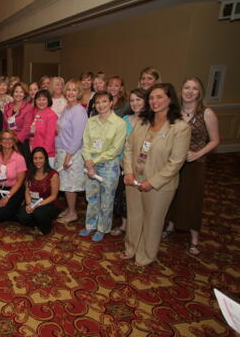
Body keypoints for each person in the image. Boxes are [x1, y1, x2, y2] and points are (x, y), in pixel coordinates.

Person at [122, 83, 191, 266]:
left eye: (159, 97)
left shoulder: (180, 128)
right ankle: (131, 248)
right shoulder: (143, 122)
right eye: (151, 98)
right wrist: (128, 171)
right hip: (134, 179)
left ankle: (146, 255)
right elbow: (128, 147)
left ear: (170, 99)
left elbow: (176, 162)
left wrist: (152, 182)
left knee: (153, 220)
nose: (154, 101)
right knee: (134, 216)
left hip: (160, 185)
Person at [163, 77, 220, 255]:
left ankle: (194, 238)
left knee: (193, 199)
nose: (190, 91)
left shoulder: (206, 113)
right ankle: (171, 225)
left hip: (196, 163)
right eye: (187, 87)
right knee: (173, 195)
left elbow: (215, 141)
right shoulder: (175, 111)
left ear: (199, 92)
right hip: (174, 162)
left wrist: (197, 154)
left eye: (194, 89)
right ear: (181, 90)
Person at [80, 91, 127, 242]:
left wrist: (94, 161)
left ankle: (102, 228)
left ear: (111, 102)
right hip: (90, 164)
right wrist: (88, 160)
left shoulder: (119, 123)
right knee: (92, 197)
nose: (101, 105)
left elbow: (116, 149)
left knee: (106, 199)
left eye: (104, 101)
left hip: (108, 165)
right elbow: (85, 143)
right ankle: (90, 225)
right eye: (98, 102)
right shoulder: (91, 121)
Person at [111, 88, 146, 236]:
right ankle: (124, 225)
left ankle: (138, 227)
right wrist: (124, 165)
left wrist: (140, 166)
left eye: (138, 99)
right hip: (123, 165)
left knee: (139, 199)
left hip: (142, 167)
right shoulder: (125, 120)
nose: (135, 103)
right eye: (132, 100)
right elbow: (118, 143)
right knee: (123, 197)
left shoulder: (150, 121)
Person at [56, 79, 88, 224]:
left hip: (72, 152)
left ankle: (73, 213)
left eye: (74, 90)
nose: (70, 92)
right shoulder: (67, 108)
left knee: (70, 185)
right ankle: (69, 209)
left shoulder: (79, 111)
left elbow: (77, 138)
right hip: (62, 150)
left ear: (79, 92)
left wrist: (68, 157)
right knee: (65, 183)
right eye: (68, 89)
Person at [17, 147, 59, 234]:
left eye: (41, 158)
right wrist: (29, 204)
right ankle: (36, 224)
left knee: (38, 213)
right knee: (22, 216)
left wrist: (37, 205)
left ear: (45, 159)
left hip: (48, 203)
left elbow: (53, 196)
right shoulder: (29, 172)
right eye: (35, 158)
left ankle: (46, 228)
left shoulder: (53, 174)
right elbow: (27, 190)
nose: (38, 161)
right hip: (32, 202)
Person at [0, 130, 27, 224]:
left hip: (14, 189)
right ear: (0, 141)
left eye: (10, 139)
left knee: (2, 213)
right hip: (0, 189)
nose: (7, 141)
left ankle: (19, 210)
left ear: (14, 141)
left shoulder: (19, 158)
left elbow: (20, 181)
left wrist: (8, 197)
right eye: (4, 138)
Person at [29, 90, 58, 166]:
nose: (41, 102)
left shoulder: (51, 115)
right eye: (39, 99)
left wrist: (42, 155)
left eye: (44, 99)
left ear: (48, 100)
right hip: (34, 151)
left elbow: (50, 139)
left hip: (45, 155)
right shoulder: (35, 112)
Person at [3, 82, 34, 148]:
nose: (18, 94)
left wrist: (14, 140)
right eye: (16, 92)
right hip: (7, 142)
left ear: (25, 94)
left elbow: (26, 128)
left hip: (21, 143)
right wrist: (5, 138)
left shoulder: (28, 108)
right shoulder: (7, 106)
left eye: (21, 92)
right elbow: (4, 125)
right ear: (13, 93)